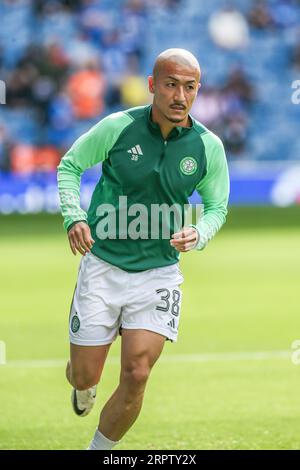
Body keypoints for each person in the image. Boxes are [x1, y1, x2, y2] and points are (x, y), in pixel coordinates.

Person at [57, 48, 230, 450]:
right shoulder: (118, 127)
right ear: (153, 86)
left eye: (189, 87)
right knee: (84, 375)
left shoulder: (208, 147)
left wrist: (200, 232)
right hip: (103, 266)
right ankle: (83, 383)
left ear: (197, 91)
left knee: (137, 373)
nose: (179, 96)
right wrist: (74, 216)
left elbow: (217, 205)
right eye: (171, 85)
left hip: (159, 274)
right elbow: (70, 165)